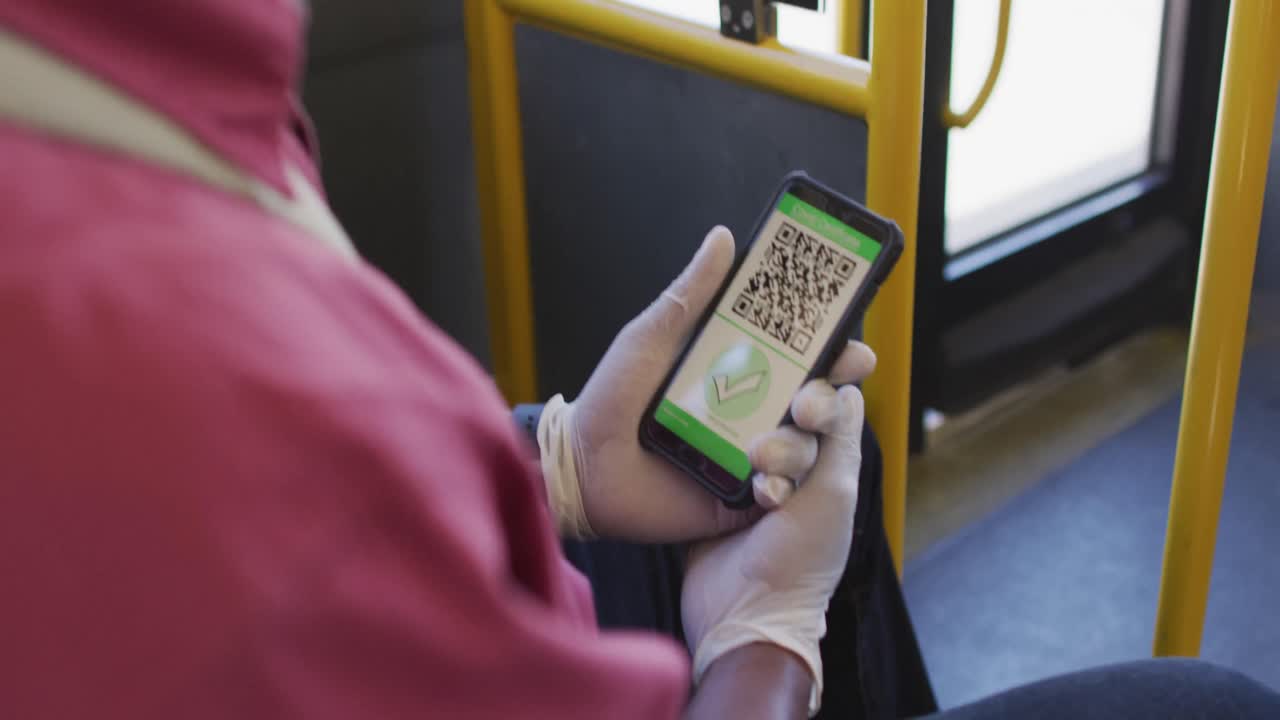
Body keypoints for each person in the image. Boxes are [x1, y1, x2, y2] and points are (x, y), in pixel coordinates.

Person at [1, 2, 1278, 718]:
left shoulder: (113, 90)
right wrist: (759, 644)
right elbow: (301, 519)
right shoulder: (157, 367)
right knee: (1208, 710)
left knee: (794, 451)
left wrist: (549, 469)